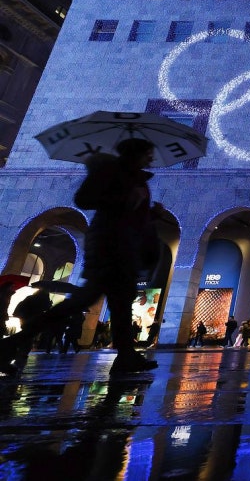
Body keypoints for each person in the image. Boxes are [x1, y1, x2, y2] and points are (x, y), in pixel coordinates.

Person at [0, 138, 160, 375]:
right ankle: (9, 345)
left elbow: (132, 217)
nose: (152, 158)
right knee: (85, 302)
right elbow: (84, 199)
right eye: (148, 152)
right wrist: (123, 199)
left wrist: (149, 213)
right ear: (135, 153)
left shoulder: (136, 178)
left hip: (123, 247)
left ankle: (126, 357)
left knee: (119, 303)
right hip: (109, 246)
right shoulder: (111, 172)